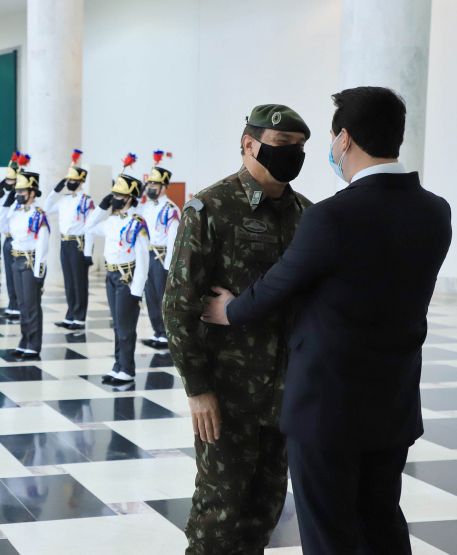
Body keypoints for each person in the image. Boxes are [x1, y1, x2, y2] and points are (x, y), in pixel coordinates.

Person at [202, 87, 452, 555]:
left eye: (333, 137)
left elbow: (279, 284)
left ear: (344, 140)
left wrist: (230, 309)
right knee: (382, 523)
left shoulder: (332, 216)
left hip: (327, 408)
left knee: (329, 533)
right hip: (393, 400)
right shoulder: (435, 211)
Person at [163, 104, 312, 555]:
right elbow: (177, 307)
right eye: (283, 146)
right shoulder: (212, 208)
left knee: (265, 510)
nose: (293, 156)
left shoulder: (308, 215)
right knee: (219, 511)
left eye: (299, 149)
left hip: (287, 393)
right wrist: (198, 388)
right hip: (228, 394)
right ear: (250, 144)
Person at [84, 157, 150, 384]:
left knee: (125, 326)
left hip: (127, 278)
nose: (114, 199)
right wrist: (101, 207)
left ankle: (127, 370)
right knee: (117, 324)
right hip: (111, 276)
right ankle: (118, 365)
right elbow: (88, 227)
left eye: (118, 196)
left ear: (130, 198)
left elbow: (143, 258)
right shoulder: (112, 221)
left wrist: (137, 289)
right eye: (113, 196)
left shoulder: (137, 223)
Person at [0, 169, 49, 360]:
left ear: (32, 192)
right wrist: (5, 205)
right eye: (17, 191)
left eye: (22, 191)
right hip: (16, 260)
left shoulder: (38, 214)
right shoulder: (15, 211)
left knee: (32, 305)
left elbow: (43, 244)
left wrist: (38, 272)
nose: (18, 195)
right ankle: (25, 340)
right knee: (22, 304)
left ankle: (33, 345)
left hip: (31, 261)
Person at [44, 149, 95, 330]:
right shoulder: (64, 200)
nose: (70, 183)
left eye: (73, 181)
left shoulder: (86, 201)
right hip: (65, 243)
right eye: (68, 180)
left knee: (79, 282)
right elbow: (47, 208)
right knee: (69, 281)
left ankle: (79, 318)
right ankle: (70, 315)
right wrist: (56, 190)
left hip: (79, 244)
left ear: (81, 181)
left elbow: (89, 229)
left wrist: (88, 252)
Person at [139, 150, 180, 349]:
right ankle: (157, 331)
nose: (150, 187)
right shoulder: (147, 207)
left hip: (161, 256)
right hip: (147, 255)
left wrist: (168, 265)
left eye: (154, 185)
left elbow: (173, 239)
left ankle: (166, 333)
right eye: (149, 184)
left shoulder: (170, 209)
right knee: (150, 295)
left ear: (164, 187)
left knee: (162, 296)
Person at [0, 152, 29, 320]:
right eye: (7, 181)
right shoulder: (5, 197)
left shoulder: (22, 202)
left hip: (18, 240)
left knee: (18, 274)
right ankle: (12, 303)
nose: (9, 184)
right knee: (9, 274)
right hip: (7, 238)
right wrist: (0, 191)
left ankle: (19, 305)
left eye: (12, 181)